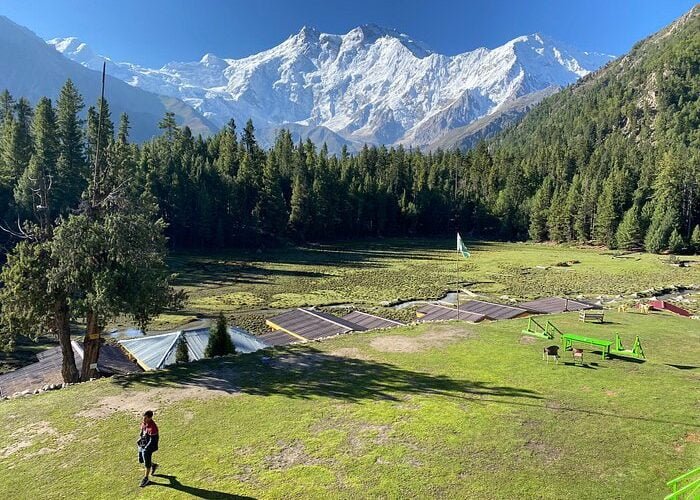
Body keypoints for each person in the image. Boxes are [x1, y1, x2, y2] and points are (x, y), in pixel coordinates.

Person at [137, 410, 159, 487]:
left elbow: (153, 440)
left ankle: (146, 478)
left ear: (150, 418)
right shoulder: (144, 423)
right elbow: (142, 432)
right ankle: (153, 465)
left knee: (146, 459)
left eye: (146, 418)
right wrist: (140, 439)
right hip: (143, 444)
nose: (144, 419)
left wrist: (146, 448)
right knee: (141, 459)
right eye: (144, 417)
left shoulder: (153, 427)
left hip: (150, 446)